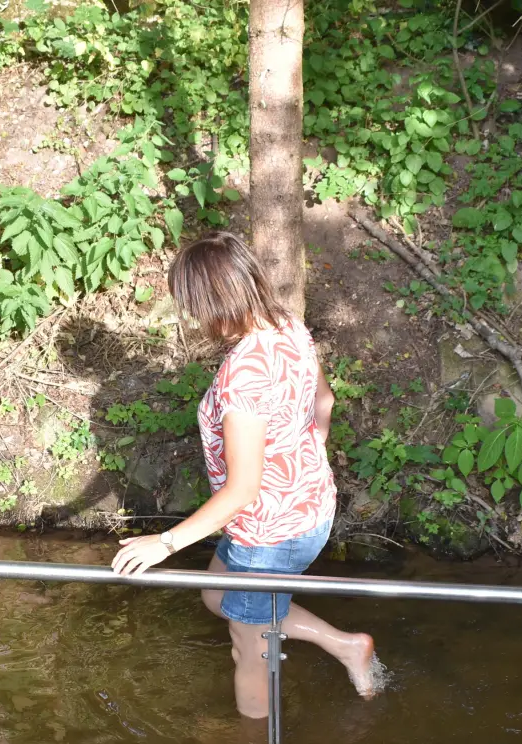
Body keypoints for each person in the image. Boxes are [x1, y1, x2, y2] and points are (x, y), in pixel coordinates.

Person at [110, 232, 380, 718]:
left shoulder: (244, 376)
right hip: (306, 506)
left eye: (192, 305)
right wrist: (305, 452)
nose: (192, 317)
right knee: (217, 596)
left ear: (212, 302)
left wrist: (165, 544)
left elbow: (243, 489)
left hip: (270, 536)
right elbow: (325, 400)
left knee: (248, 651)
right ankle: (345, 645)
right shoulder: (287, 325)